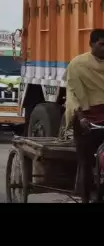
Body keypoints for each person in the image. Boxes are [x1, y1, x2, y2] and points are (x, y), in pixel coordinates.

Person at [64, 29, 104, 201]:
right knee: (86, 163)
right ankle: (85, 198)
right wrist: (81, 118)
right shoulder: (78, 64)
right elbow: (73, 93)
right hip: (87, 119)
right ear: (91, 44)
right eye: (101, 44)